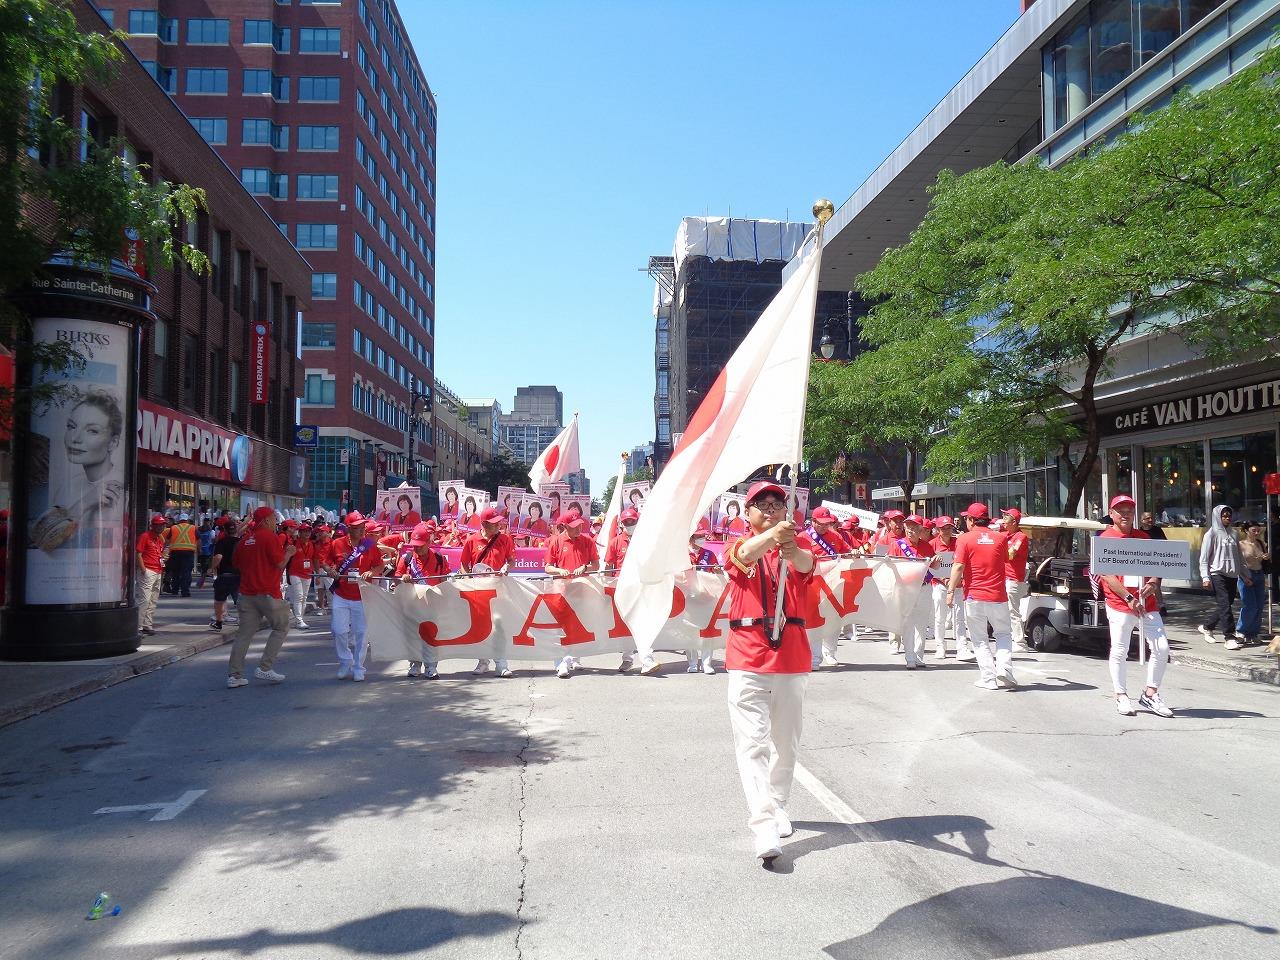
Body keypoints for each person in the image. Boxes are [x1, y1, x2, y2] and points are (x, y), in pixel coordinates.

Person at [722, 481, 816, 865]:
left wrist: (792, 549)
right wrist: (773, 536)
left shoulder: (798, 544)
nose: (770, 509)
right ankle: (763, 824)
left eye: (777, 503)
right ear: (747, 513)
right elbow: (742, 556)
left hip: (792, 658)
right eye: (761, 504)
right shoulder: (739, 544)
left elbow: (808, 566)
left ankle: (777, 804)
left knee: (785, 744)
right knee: (752, 744)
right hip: (748, 657)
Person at [1096, 494, 1174, 717]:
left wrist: (1153, 583)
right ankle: (1121, 695)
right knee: (1120, 649)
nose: (1126, 514)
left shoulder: (1144, 538)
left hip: (1147, 603)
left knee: (1161, 648)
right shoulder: (1104, 539)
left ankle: (1150, 693)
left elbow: (1157, 566)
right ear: (1111, 514)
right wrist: (1128, 598)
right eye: (1120, 510)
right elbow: (1106, 574)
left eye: (1129, 510)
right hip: (1120, 604)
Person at [946, 502, 1016, 691]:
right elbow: (1006, 558)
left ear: (971, 520)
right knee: (1003, 634)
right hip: (998, 596)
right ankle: (1005, 668)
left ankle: (988, 678)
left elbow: (958, 566)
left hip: (974, 595)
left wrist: (950, 591)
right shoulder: (1001, 538)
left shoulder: (964, 539)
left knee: (979, 639)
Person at [226, 506, 294, 688]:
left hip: (246, 594)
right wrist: (289, 553)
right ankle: (265, 667)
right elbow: (280, 564)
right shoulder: (269, 537)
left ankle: (234, 675)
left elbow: (236, 564)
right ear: (266, 520)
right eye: (274, 519)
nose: (276, 522)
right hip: (268, 593)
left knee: (243, 635)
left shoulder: (244, 540)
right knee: (281, 627)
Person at [320, 511, 383, 681]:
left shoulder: (370, 545)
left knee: (362, 634)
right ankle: (345, 661)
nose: (362, 530)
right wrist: (330, 570)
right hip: (341, 594)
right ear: (349, 528)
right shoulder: (337, 543)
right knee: (339, 630)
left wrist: (372, 572)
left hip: (362, 596)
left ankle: (358, 667)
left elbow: (380, 566)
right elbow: (324, 562)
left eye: (363, 526)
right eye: (357, 527)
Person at [462, 506, 517, 677]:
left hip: (498, 590)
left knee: (499, 626)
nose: (498, 525)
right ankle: (483, 661)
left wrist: (507, 567)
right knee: (481, 626)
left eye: (498, 522)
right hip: (478, 591)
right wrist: (468, 579)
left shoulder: (505, 539)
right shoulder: (471, 540)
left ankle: (501, 663)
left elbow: (511, 560)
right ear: (484, 524)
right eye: (494, 523)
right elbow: (464, 564)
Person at [545, 511, 598, 678]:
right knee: (561, 627)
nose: (578, 529)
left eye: (580, 525)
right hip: (561, 590)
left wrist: (585, 567)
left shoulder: (588, 541)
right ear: (565, 526)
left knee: (578, 625)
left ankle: (575, 657)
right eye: (574, 527)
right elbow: (547, 567)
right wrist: (559, 570)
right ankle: (560, 663)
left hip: (581, 589)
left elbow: (596, 565)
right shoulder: (556, 541)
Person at [397, 521, 452, 679]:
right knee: (413, 635)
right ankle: (415, 664)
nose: (417, 548)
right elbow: (396, 578)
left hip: (432, 604)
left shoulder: (439, 558)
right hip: (412, 604)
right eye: (414, 545)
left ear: (428, 542)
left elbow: (445, 579)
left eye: (420, 545)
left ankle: (431, 666)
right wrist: (403, 577)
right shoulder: (407, 558)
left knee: (430, 636)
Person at [888, 515, 938, 669]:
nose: (910, 530)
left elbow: (934, 568)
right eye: (908, 527)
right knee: (908, 623)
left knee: (921, 624)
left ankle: (918, 656)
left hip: (924, 587)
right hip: (906, 589)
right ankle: (910, 656)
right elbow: (890, 568)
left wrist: (937, 561)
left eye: (914, 527)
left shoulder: (927, 546)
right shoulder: (897, 545)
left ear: (921, 530)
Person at [804, 506, 851, 669]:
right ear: (813, 521)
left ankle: (830, 653)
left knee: (833, 619)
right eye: (821, 523)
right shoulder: (803, 537)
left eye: (827, 523)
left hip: (833, 584)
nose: (825, 526)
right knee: (814, 620)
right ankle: (814, 658)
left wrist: (853, 553)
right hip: (812, 585)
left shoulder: (835, 536)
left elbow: (846, 551)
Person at [604, 509, 648, 673]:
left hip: (642, 586)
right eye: (626, 522)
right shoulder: (615, 542)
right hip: (621, 588)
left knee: (642, 622)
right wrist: (606, 587)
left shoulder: (645, 541)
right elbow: (609, 566)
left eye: (632, 521)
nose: (630, 524)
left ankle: (647, 659)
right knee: (625, 624)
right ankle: (627, 659)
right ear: (622, 523)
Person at [1198, 505, 1247, 646]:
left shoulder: (1234, 534)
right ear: (1217, 517)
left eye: (1229, 516)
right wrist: (1205, 577)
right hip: (1217, 573)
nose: (1227, 518)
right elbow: (1204, 558)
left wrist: (1245, 575)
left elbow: (1239, 556)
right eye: (1224, 516)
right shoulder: (1211, 534)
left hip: (1232, 574)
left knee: (1226, 604)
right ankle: (1229, 636)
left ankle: (1207, 626)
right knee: (1225, 604)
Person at [929, 516, 971, 661]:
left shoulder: (959, 543)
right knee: (939, 617)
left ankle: (962, 647)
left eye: (949, 527)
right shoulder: (932, 544)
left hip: (958, 585)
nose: (947, 530)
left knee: (960, 618)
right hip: (939, 585)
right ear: (938, 529)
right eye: (943, 528)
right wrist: (943, 579)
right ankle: (940, 646)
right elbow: (929, 568)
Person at [206, 516, 245, 631]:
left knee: (219, 599)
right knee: (239, 600)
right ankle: (243, 621)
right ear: (235, 530)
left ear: (225, 530)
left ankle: (219, 622)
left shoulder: (222, 542)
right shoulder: (241, 543)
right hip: (238, 575)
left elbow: (218, 557)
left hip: (224, 575)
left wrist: (211, 568)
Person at [1235, 521, 1270, 648]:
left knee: (1259, 606)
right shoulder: (1241, 544)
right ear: (1246, 531)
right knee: (1250, 605)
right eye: (1253, 530)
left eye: (1258, 531)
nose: (1256, 533)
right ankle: (1240, 631)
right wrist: (1244, 577)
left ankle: (1253, 633)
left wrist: (1266, 557)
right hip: (1246, 575)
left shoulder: (1260, 543)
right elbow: (1237, 563)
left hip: (1259, 575)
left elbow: (1265, 559)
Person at [1001, 508, 1031, 652]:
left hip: (1013, 579)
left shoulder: (1021, 537)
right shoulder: (1004, 535)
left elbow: (1010, 555)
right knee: (1004, 611)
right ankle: (1010, 638)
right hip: (1003, 578)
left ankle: (1020, 642)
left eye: (1006, 517)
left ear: (1014, 521)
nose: (1003, 519)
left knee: (1012, 611)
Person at [135, 515, 167, 636]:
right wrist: (143, 569)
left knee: (153, 600)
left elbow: (159, 553)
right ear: (152, 526)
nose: (161, 527)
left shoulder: (159, 538)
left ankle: (147, 625)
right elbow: (138, 553)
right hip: (148, 570)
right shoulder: (145, 536)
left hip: (157, 570)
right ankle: (138, 626)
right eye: (158, 525)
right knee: (145, 599)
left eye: (162, 525)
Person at [285, 522, 316, 629]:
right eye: (304, 531)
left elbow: (314, 559)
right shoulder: (293, 543)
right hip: (295, 573)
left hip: (307, 573)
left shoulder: (311, 544)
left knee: (304, 597)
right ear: (300, 532)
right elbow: (286, 556)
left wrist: (315, 572)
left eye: (309, 531)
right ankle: (299, 620)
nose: (307, 533)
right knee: (299, 596)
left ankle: (300, 619)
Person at [165, 513, 199, 597]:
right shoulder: (193, 527)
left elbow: (167, 540)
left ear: (179, 520)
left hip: (175, 552)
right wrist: (199, 550)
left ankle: (175, 590)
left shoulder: (173, 527)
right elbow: (199, 539)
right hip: (188, 552)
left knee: (175, 572)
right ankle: (185, 591)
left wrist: (167, 549)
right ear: (187, 520)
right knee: (186, 572)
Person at [312, 524, 333, 613]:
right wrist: (317, 574)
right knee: (319, 589)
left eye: (322, 531)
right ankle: (321, 608)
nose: (319, 533)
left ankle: (331, 606)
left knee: (330, 588)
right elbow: (315, 558)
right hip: (318, 568)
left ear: (327, 532)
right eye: (319, 531)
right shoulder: (316, 544)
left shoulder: (333, 543)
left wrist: (333, 568)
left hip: (329, 568)